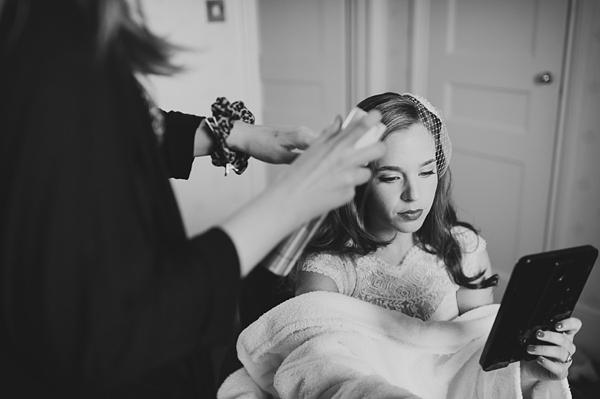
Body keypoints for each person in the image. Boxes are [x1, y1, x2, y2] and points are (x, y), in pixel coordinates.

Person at [0, 1, 385, 397]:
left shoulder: (54, 40)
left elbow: (109, 137)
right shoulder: (54, 53)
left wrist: (232, 135)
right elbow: (108, 334)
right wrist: (291, 198)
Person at [292, 92, 580, 396]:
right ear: (358, 178)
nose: (414, 194)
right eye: (391, 177)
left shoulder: (464, 251)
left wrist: (529, 370)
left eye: (427, 171)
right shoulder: (328, 272)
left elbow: (477, 368)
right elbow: (322, 375)